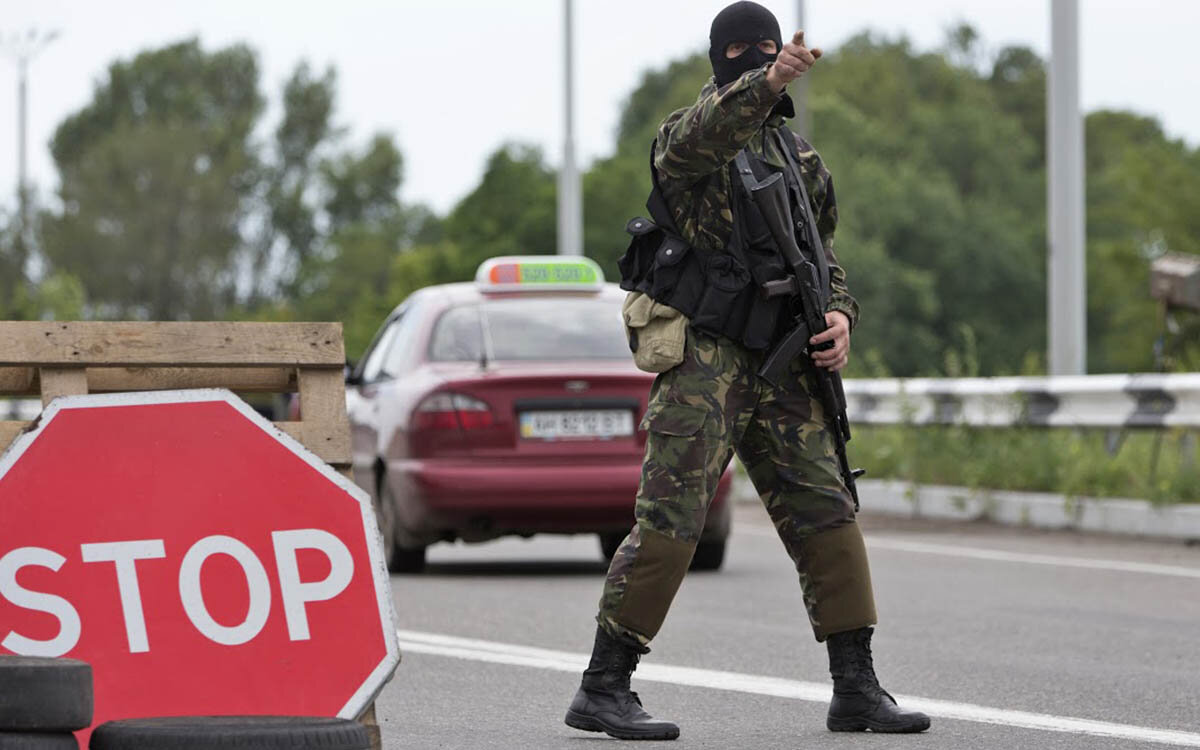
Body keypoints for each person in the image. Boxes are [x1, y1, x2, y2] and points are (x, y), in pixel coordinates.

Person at [563, 1, 931, 741]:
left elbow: (822, 254)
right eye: (745, 52)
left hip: (785, 362)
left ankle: (856, 685)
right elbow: (706, 134)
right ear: (721, 60)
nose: (759, 59)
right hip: (708, 358)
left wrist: (840, 317)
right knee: (671, 521)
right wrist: (765, 84)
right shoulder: (688, 139)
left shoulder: (801, 160)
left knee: (828, 513)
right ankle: (604, 686)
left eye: (769, 50)